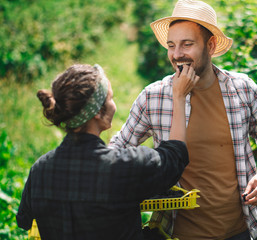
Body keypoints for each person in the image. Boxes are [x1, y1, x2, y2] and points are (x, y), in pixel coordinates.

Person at [110, 0, 257, 239]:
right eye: (171, 46)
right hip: (178, 234)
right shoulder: (153, 97)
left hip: (240, 231)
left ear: (210, 45)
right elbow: (117, 150)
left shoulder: (243, 89)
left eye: (187, 44)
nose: (177, 54)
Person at [16, 63, 199, 240]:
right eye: (110, 98)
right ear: (97, 112)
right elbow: (175, 155)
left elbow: (24, 220)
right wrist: (179, 96)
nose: (113, 104)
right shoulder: (124, 167)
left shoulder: (40, 169)